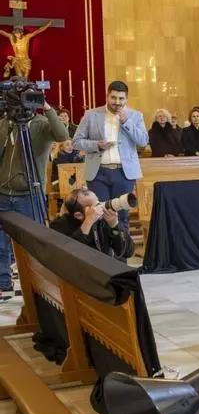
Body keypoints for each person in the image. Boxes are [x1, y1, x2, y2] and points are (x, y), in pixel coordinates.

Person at [0, 98, 69, 300]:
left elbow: (62, 135)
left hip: (28, 195)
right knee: (0, 243)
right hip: (3, 193)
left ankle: (37, 284)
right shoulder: (6, 123)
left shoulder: (40, 124)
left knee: (32, 243)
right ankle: (3, 282)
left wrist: (47, 107)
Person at [73, 81, 147, 231]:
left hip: (124, 173)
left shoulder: (135, 116)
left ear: (126, 99)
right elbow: (76, 142)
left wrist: (126, 121)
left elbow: (143, 141)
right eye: (113, 98)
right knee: (99, 215)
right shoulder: (91, 115)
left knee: (122, 215)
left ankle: (121, 253)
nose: (117, 102)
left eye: (121, 99)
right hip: (98, 173)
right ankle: (102, 253)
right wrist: (97, 145)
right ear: (107, 96)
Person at [50, 187, 134, 261]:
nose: (100, 207)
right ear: (78, 215)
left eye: (99, 202)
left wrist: (115, 225)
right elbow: (70, 256)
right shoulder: (59, 225)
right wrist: (88, 222)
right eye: (95, 205)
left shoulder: (103, 221)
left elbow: (128, 252)